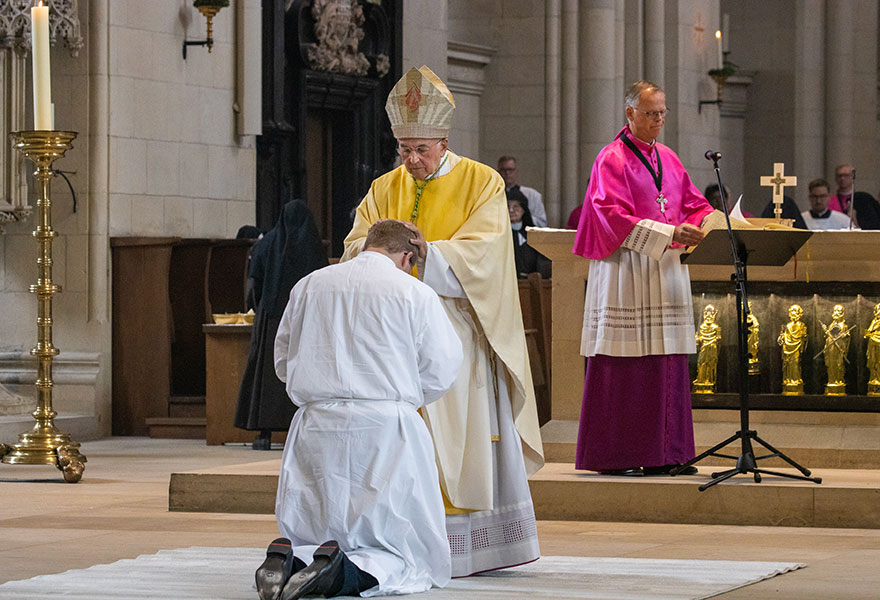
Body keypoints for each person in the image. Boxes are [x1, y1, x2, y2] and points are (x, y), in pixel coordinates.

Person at [342, 65, 544, 576]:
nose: (411, 161)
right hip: (390, 337)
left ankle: (463, 547)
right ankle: (399, 539)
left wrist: (424, 255)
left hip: (454, 328)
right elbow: (354, 245)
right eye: (404, 151)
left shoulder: (482, 180)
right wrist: (381, 257)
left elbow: (487, 252)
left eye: (421, 151)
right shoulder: (384, 186)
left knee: (457, 437)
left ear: (444, 141)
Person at [256, 220, 464, 600]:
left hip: (317, 422)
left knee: (317, 522)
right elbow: (442, 365)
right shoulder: (413, 292)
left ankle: (292, 561)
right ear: (406, 257)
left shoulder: (309, 285)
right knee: (397, 543)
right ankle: (340, 575)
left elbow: (283, 359)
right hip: (385, 425)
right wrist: (403, 397)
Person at [572, 80, 713, 477]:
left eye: (663, 113)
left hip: (665, 269)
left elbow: (692, 202)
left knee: (666, 360)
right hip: (626, 270)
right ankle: (620, 454)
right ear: (630, 113)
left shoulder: (667, 156)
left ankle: (669, 452)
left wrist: (707, 221)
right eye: (651, 113)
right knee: (628, 361)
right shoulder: (611, 158)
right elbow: (607, 214)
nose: (658, 120)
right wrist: (669, 233)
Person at [235, 200, 329, 450]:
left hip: (271, 320)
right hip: (306, 320)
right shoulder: (313, 246)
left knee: (265, 377)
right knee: (301, 371)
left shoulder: (266, 244)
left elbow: (253, 286)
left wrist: (260, 308)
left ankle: (263, 433)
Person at [508, 188, 551, 279]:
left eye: (515, 207)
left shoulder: (533, 235)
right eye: (508, 207)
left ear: (523, 210)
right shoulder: (499, 236)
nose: (511, 210)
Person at [497, 155, 548, 226]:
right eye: (503, 170)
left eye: (510, 170)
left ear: (516, 172)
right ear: (498, 172)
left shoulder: (532, 195)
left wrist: (523, 217)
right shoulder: (493, 194)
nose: (507, 173)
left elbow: (541, 222)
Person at [778, 304, 807, 395]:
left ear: (799, 314)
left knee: (795, 363)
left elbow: (804, 338)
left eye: (796, 311)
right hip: (787, 347)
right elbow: (785, 336)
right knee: (788, 364)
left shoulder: (801, 325)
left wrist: (803, 338)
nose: (793, 313)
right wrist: (782, 337)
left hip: (796, 347)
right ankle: (788, 380)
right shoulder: (788, 326)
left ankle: (796, 380)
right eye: (792, 311)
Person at [822, 304, 850, 395]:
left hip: (839, 349)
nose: (836, 313)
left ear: (842, 313)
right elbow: (828, 336)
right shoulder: (832, 324)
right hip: (830, 348)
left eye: (839, 311)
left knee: (839, 364)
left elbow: (847, 337)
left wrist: (844, 336)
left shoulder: (844, 325)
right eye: (835, 311)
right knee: (831, 364)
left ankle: (839, 380)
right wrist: (827, 333)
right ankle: (831, 381)